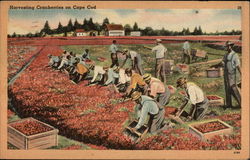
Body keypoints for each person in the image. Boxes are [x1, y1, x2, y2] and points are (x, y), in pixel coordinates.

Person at [211, 41, 241, 108]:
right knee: (227, 89)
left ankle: (241, 103)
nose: (227, 47)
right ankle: (228, 104)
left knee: (234, 89)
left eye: (229, 46)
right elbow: (222, 63)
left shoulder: (235, 55)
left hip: (232, 75)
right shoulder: (225, 55)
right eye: (227, 46)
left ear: (231, 46)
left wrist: (242, 74)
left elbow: (238, 66)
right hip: (226, 75)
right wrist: (214, 65)